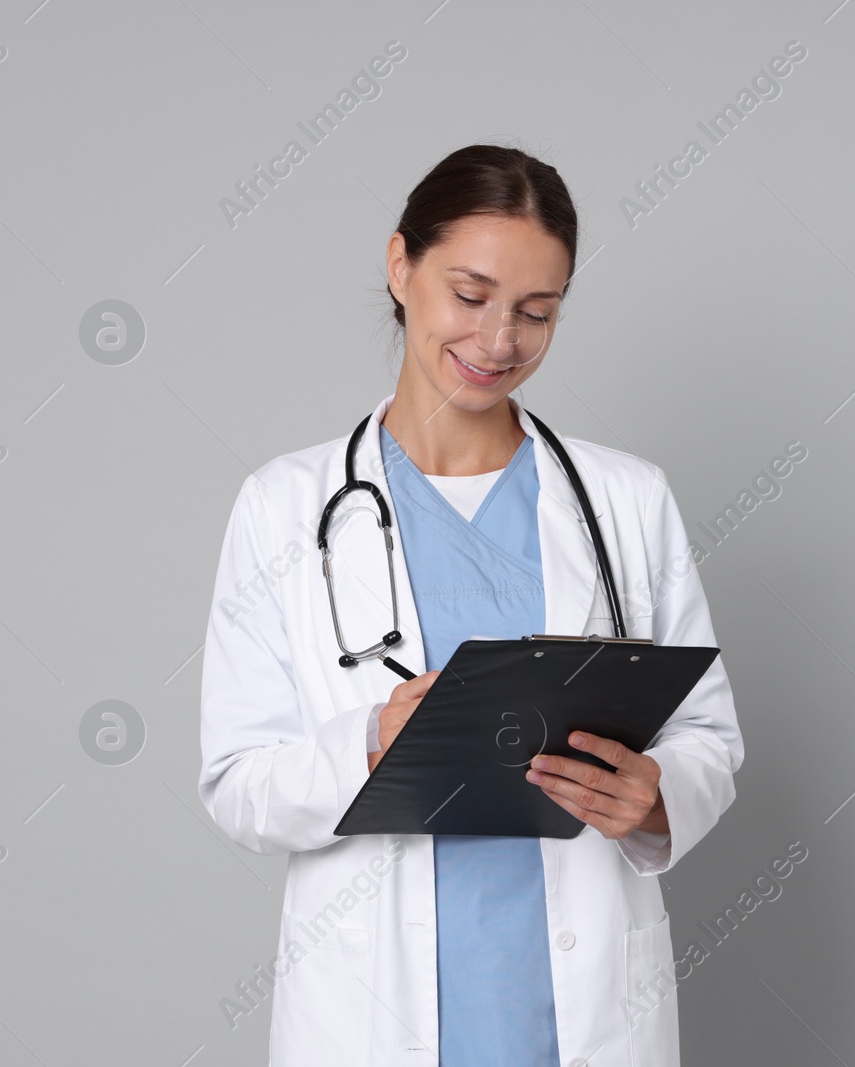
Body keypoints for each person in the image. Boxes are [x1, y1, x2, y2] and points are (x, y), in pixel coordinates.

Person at [197, 143, 743, 1066]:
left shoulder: (626, 500)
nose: (499, 342)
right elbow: (238, 785)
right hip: (370, 1012)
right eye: (471, 294)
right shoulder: (284, 506)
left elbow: (707, 739)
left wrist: (655, 800)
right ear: (400, 265)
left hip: (580, 1002)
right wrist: (368, 739)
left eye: (537, 312)